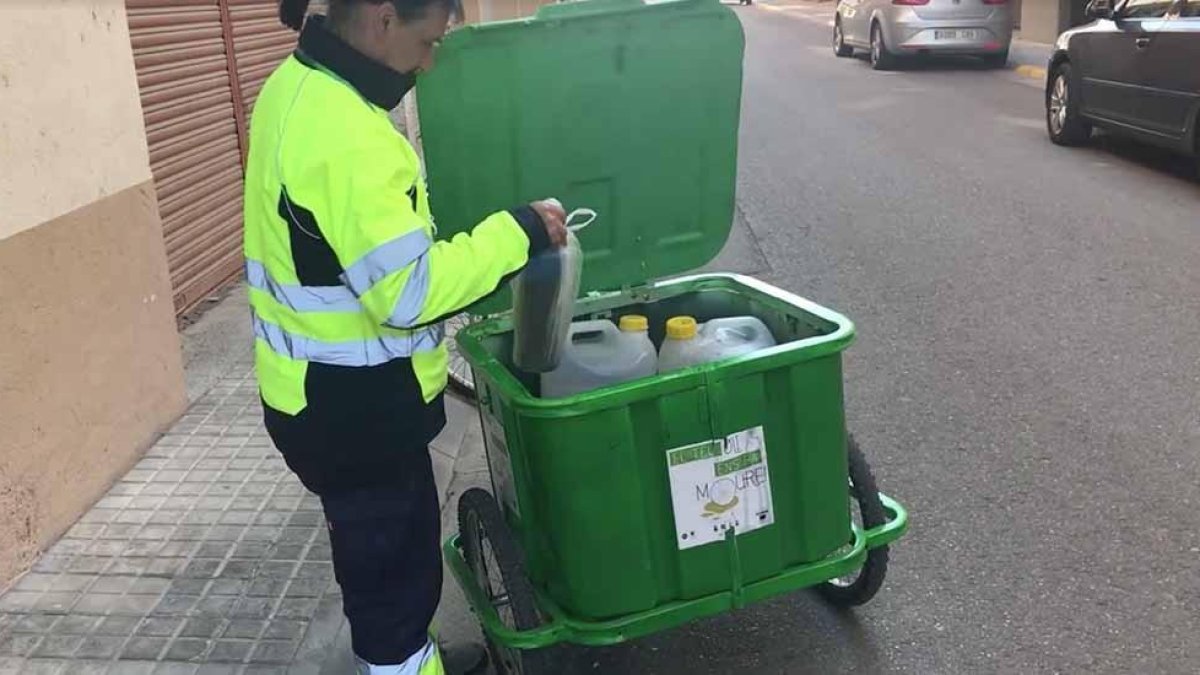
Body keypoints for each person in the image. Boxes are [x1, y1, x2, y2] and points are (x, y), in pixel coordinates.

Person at [243, 1, 568, 673]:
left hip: (326, 399)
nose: (429, 62)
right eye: (428, 42)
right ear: (383, 18)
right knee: (391, 578)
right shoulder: (343, 136)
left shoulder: (297, 84)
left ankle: (410, 655)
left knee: (390, 559)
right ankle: (404, 663)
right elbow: (410, 293)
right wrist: (519, 231)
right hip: (355, 411)